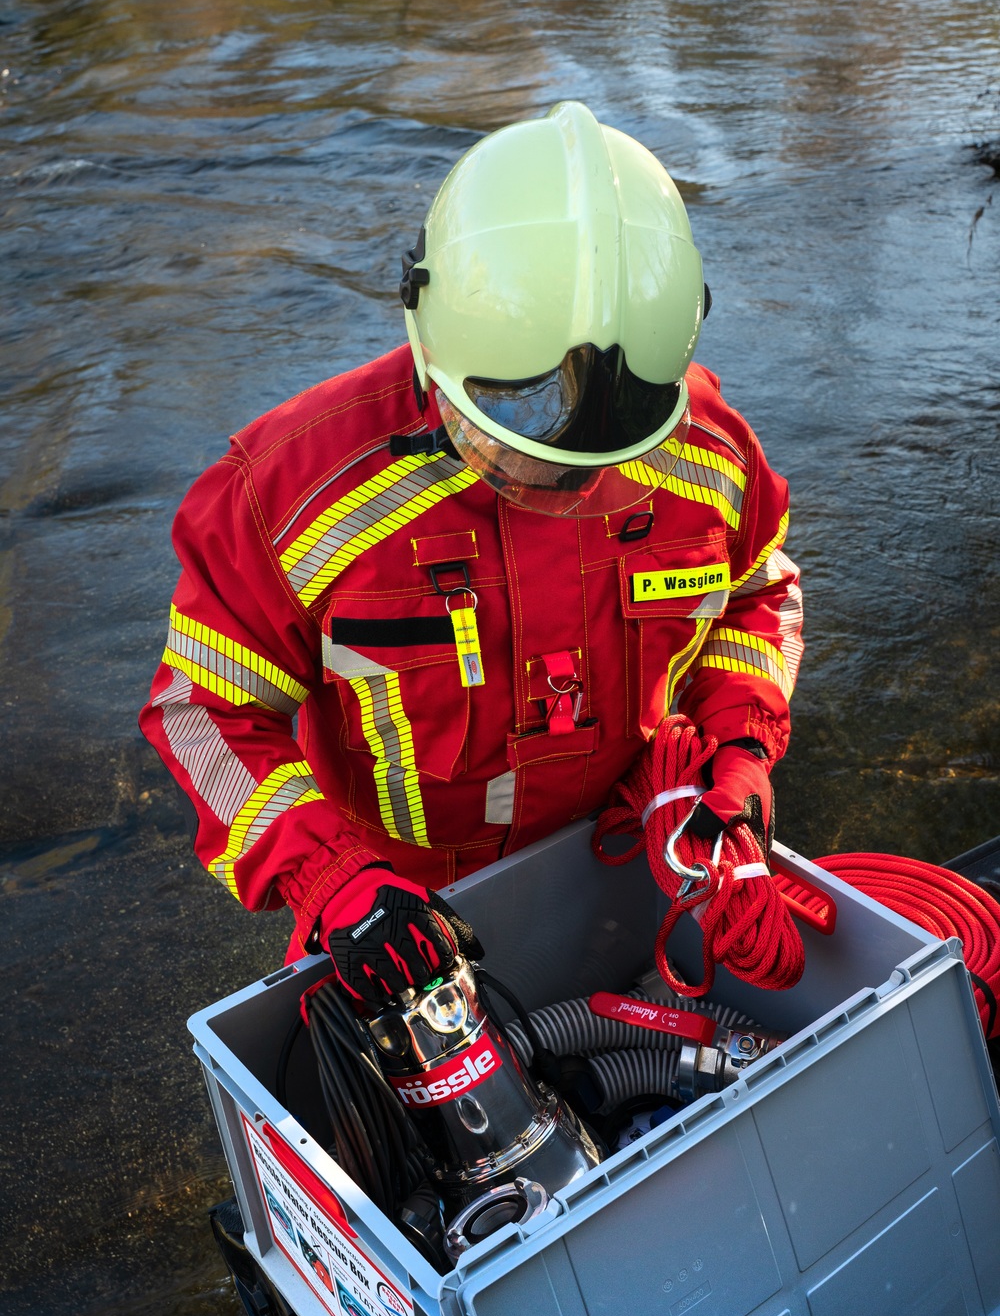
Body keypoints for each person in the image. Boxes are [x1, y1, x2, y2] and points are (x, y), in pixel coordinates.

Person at [139, 101, 802, 1007]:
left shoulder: (713, 455)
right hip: (392, 915)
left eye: (597, 466)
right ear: (426, 332)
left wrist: (737, 750)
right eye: (508, 439)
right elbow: (201, 709)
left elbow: (760, 595)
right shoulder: (292, 494)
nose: (549, 484)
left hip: (631, 859)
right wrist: (329, 878)